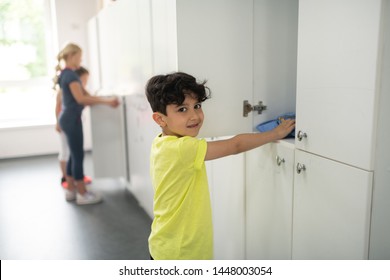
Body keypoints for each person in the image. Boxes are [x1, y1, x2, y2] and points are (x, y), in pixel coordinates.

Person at [145, 72, 295, 260]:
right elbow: (235, 145)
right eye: (182, 109)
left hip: (165, 244)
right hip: (181, 250)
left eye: (197, 106)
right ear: (160, 119)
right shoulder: (183, 148)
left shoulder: (161, 143)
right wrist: (275, 133)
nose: (194, 116)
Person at [53, 43, 119, 205]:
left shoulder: (65, 74)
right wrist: (107, 101)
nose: (81, 59)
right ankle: (82, 193)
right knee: (77, 156)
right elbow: (81, 99)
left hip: (67, 118)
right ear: (71, 56)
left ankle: (70, 191)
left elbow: (83, 95)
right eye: (79, 56)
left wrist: (102, 100)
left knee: (72, 156)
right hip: (71, 119)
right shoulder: (71, 75)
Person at [55, 66, 92, 189]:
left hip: (70, 122)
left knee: (73, 152)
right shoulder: (65, 90)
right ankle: (65, 177)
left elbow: (86, 100)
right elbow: (58, 107)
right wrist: (57, 123)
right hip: (65, 124)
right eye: (84, 80)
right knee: (66, 152)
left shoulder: (78, 89)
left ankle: (73, 178)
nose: (85, 83)